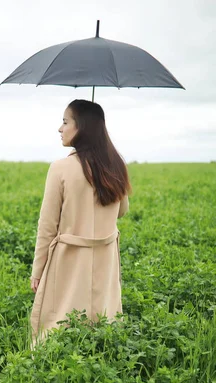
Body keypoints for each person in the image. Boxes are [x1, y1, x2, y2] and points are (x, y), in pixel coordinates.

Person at [29, 99, 131, 349]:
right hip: (105, 257)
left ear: (82, 127)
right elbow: (122, 211)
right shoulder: (115, 164)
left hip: (69, 257)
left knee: (59, 323)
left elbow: (47, 226)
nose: (60, 128)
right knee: (102, 320)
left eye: (65, 121)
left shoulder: (60, 168)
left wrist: (38, 270)